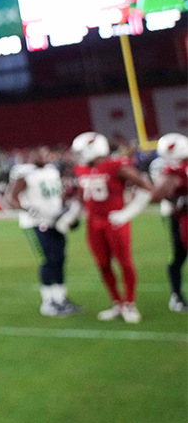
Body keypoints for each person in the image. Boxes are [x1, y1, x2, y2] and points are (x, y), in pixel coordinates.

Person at [69, 131, 155, 324]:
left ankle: (130, 303)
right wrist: (71, 215)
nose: (78, 156)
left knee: (124, 263)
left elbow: (146, 188)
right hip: (93, 223)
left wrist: (127, 213)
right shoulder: (81, 168)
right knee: (102, 264)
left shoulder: (116, 165)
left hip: (115, 221)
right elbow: (81, 195)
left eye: (81, 151)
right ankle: (117, 302)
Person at [7, 149, 84, 317]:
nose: (41, 156)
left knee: (60, 258)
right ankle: (48, 302)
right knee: (48, 260)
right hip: (37, 222)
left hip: (55, 220)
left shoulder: (52, 171)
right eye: (37, 154)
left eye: (44, 154)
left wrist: (66, 211)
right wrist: (26, 208)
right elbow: (10, 197)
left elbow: (57, 195)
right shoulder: (25, 174)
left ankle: (61, 298)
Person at [151, 132, 188, 313]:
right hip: (178, 215)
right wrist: (178, 202)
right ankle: (176, 296)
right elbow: (160, 193)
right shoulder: (167, 168)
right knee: (178, 255)